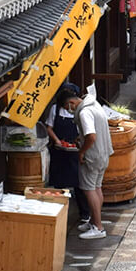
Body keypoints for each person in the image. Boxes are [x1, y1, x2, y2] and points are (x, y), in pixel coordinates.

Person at [62, 85, 113, 240]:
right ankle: (94, 222)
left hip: (92, 156)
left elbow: (91, 136)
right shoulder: (94, 104)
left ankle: (98, 227)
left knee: (89, 189)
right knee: (96, 188)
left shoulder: (85, 112)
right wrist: (81, 138)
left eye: (67, 107)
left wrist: (82, 151)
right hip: (103, 153)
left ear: (71, 103)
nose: (68, 110)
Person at [44, 88, 91, 225]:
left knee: (78, 183)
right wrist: (57, 141)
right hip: (59, 151)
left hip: (75, 151)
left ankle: (85, 214)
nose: (68, 108)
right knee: (59, 183)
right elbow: (49, 127)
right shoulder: (55, 109)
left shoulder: (81, 111)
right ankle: (59, 214)